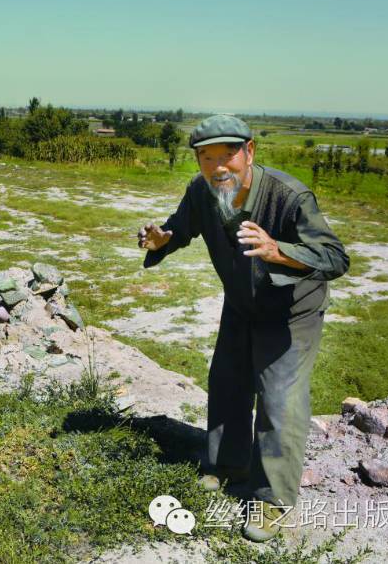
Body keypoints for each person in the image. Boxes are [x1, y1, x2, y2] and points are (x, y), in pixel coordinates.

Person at [138, 114, 349, 542]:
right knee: (228, 382)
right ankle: (227, 465)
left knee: (278, 398)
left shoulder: (288, 197)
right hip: (241, 303)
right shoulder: (203, 191)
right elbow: (181, 226)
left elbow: (334, 257)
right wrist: (163, 240)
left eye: (228, 156)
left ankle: (272, 500)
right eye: (207, 158)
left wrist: (278, 250)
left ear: (249, 152)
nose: (218, 167)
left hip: (292, 310)